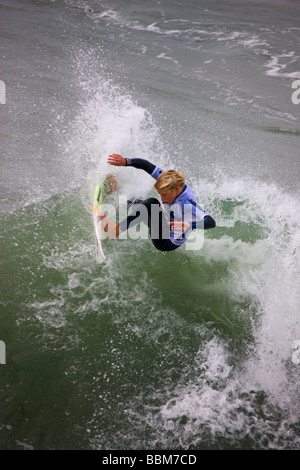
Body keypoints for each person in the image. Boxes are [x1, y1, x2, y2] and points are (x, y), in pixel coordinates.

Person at [99, 153, 216, 252]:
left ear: (176, 189)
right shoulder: (167, 180)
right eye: (160, 194)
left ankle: (115, 230)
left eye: (164, 194)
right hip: (162, 221)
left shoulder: (188, 202)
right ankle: (113, 194)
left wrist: (191, 225)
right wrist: (125, 161)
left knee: (152, 203)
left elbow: (211, 222)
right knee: (134, 200)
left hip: (167, 241)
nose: (162, 199)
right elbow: (146, 165)